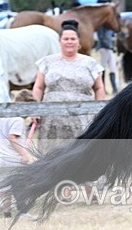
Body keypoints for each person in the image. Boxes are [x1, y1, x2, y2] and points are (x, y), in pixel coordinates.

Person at [32, 19, 106, 153]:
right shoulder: (47, 62)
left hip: (82, 118)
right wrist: (35, 109)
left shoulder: (90, 63)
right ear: (60, 41)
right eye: (66, 39)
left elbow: (99, 88)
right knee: (51, 155)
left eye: (73, 38)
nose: (69, 42)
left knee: (79, 155)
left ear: (78, 42)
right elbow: (38, 87)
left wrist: (98, 111)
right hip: (52, 119)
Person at [0, 89, 36, 218]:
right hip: (14, 158)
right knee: (21, 186)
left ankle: (7, 214)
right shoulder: (18, 120)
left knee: (6, 188)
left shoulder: (5, 116)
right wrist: (24, 154)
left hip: (3, 157)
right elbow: (12, 137)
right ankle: (22, 211)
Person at [94, 25, 119, 94]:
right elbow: (101, 38)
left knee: (112, 68)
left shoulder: (110, 27)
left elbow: (112, 36)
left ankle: (114, 88)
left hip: (110, 49)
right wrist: (109, 46)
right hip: (104, 48)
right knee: (102, 68)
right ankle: (103, 88)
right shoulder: (101, 27)